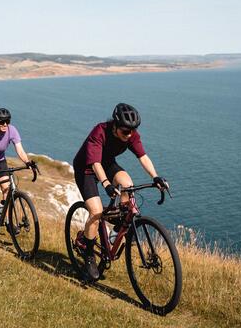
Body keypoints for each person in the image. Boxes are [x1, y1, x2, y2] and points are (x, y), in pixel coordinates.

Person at [72, 103, 169, 280]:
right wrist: (106, 184)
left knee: (128, 184)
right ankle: (88, 255)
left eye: (133, 131)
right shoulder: (99, 132)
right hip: (86, 169)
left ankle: (118, 229)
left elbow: (143, 156)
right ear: (115, 127)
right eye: (125, 131)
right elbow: (95, 164)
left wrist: (155, 176)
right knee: (96, 211)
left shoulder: (131, 134)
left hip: (107, 164)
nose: (130, 135)